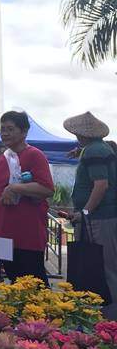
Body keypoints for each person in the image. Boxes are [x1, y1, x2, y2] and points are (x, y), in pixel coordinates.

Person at [0, 110, 54, 284]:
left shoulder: (34, 155)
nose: (5, 133)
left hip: (25, 235)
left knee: (33, 286)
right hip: (0, 232)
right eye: (2, 129)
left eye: (10, 128)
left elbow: (46, 188)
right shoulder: (2, 159)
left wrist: (15, 188)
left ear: (24, 132)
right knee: (9, 283)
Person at [63, 111, 117, 318]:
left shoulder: (95, 151)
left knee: (104, 267)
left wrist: (85, 211)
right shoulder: (97, 149)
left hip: (99, 218)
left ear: (80, 134)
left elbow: (101, 185)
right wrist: (80, 152)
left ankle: (110, 318)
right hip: (100, 217)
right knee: (103, 265)